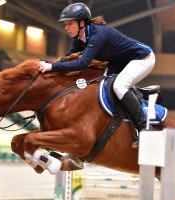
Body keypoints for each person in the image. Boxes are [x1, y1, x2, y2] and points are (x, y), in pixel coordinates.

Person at [38, 2, 155, 148]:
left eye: (69, 24)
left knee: (119, 86)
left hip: (142, 58)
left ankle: (145, 129)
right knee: (101, 85)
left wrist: (51, 67)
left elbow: (82, 64)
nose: (66, 28)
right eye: (65, 24)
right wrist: (49, 66)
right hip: (120, 61)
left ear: (81, 23)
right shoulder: (79, 39)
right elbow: (66, 59)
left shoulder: (97, 35)